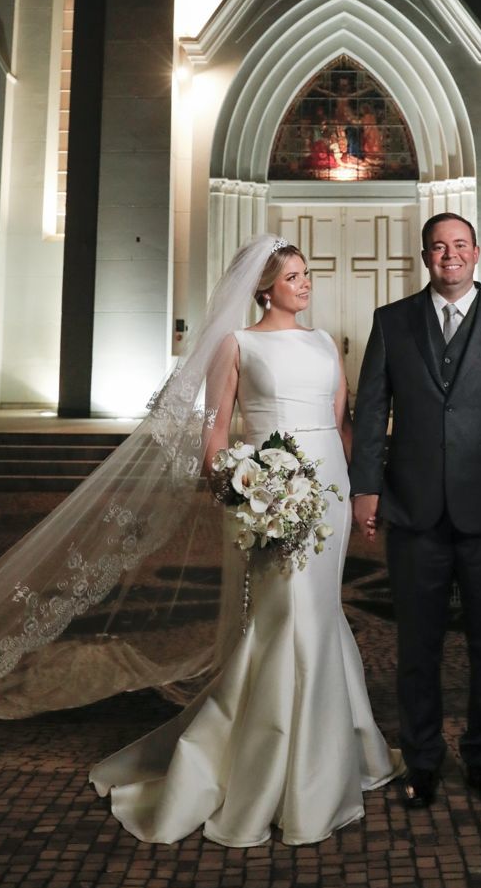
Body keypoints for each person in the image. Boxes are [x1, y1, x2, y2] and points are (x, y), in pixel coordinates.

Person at [90, 240, 402, 846]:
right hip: (271, 492)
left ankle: (334, 752)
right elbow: (215, 433)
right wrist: (239, 488)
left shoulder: (323, 342)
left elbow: (340, 424)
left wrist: (363, 489)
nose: (306, 284)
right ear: (265, 288)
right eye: (293, 277)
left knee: (320, 613)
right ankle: (275, 768)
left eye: (307, 274)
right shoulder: (238, 345)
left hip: (327, 492)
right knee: (285, 619)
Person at [350, 212, 481, 810]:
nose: (450, 255)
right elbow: (370, 413)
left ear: (477, 252)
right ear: (424, 256)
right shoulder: (393, 322)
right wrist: (367, 488)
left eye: (460, 245)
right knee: (418, 646)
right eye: (439, 247)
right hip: (413, 513)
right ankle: (423, 761)